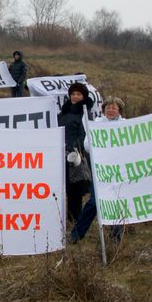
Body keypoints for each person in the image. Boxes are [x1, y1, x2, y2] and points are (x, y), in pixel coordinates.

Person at [70, 97, 125, 244]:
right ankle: (76, 235)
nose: (110, 110)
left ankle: (116, 236)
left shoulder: (126, 125)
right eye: (108, 107)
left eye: (114, 108)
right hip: (100, 170)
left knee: (116, 202)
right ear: (104, 109)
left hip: (119, 171)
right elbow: (87, 145)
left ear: (119, 110)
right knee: (94, 202)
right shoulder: (96, 125)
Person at [58, 82, 94, 223]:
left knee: (75, 189)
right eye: (73, 94)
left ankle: (75, 219)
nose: (75, 96)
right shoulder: (63, 113)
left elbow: (84, 134)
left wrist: (73, 149)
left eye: (78, 94)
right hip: (60, 154)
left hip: (76, 156)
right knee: (64, 187)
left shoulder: (85, 113)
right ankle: (66, 218)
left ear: (83, 96)